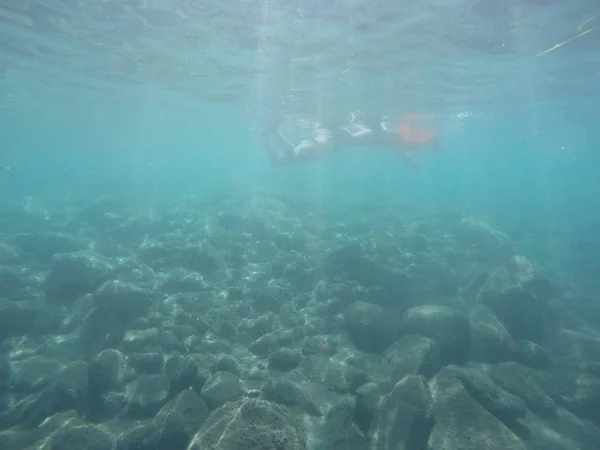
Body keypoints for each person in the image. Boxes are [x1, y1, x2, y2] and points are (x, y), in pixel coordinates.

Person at [261, 111, 438, 168]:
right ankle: (272, 132)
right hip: (325, 145)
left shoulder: (384, 137)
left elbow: (397, 147)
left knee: (280, 161)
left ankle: (270, 133)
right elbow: (396, 146)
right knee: (286, 158)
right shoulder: (384, 136)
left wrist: (408, 159)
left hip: (325, 145)